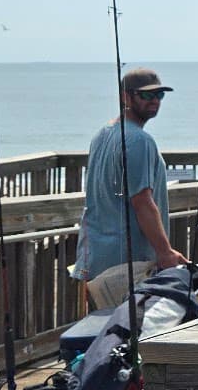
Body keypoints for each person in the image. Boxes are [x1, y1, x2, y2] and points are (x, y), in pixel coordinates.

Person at [74, 68, 186, 309]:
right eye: (146, 95)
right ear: (125, 97)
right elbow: (142, 202)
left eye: (159, 95)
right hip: (130, 263)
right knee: (130, 328)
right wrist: (165, 253)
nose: (154, 100)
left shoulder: (102, 135)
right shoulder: (139, 141)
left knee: (101, 327)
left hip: (97, 258)